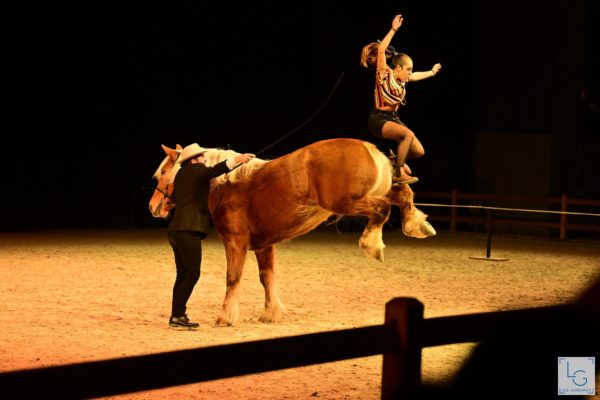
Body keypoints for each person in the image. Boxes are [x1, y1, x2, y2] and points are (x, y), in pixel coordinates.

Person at [167, 143, 255, 330]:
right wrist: (237, 160)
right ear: (193, 160)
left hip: (175, 230)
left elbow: (174, 199)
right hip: (188, 229)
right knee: (192, 274)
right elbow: (216, 170)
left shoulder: (181, 175)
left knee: (182, 275)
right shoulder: (197, 170)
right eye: (201, 157)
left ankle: (176, 316)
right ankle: (178, 315)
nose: (204, 159)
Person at [360, 14, 441, 187]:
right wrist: (393, 29)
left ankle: (394, 161)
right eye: (408, 70)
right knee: (408, 135)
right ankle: (397, 174)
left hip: (393, 118)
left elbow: (417, 76)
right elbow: (381, 50)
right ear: (397, 69)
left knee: (419, 151)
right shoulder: (384, 73)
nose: (410, 73)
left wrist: (432, 72)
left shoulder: (402, 80)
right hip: (378, 119)